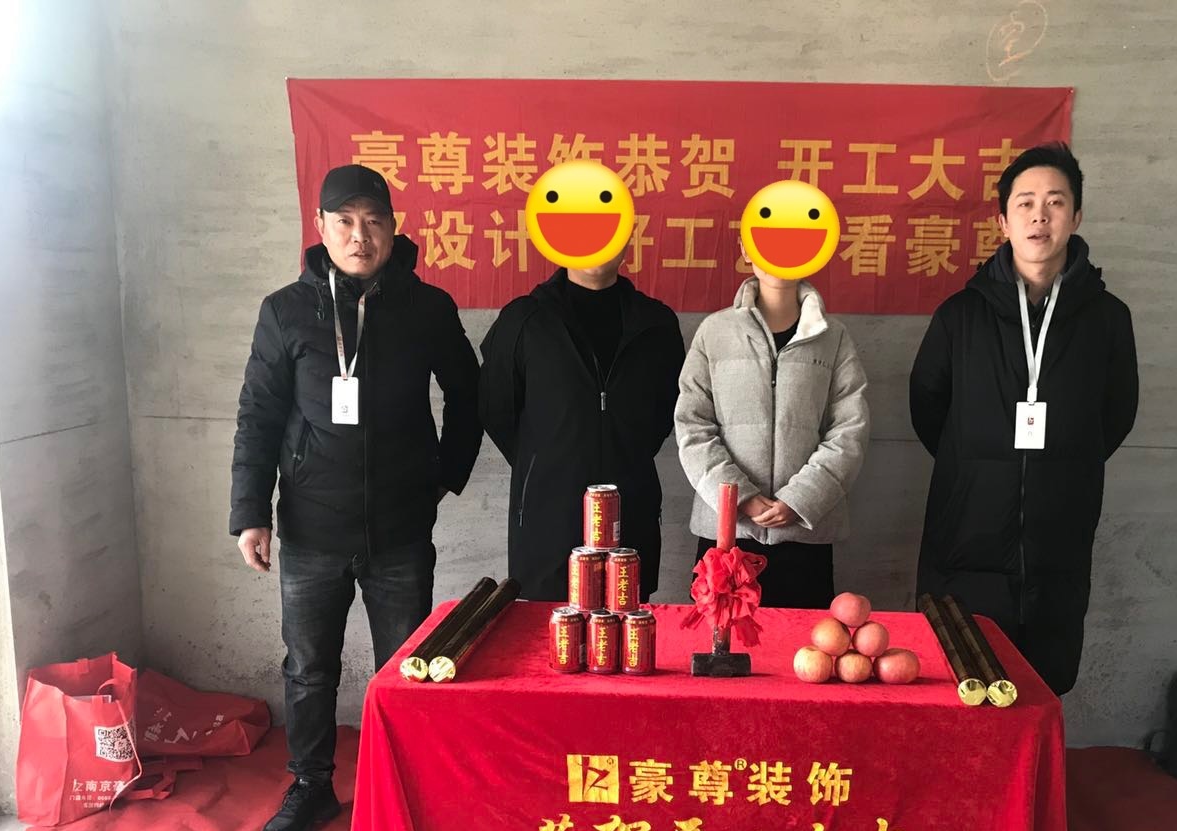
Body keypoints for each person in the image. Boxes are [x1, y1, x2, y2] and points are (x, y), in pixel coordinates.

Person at [230, 164, 482, 831]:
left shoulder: (427, 308)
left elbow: (470, 396)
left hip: (400, 528)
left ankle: (404, 789)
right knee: (309, 667)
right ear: (320, 227)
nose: (359, 236)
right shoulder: (285, 311)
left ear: (394, 228)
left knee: (406, 669)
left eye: (373, 221)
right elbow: (258, 414)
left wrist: (444, 475)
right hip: (311, 525)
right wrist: (250, 512)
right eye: (344, 221)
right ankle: (311, 786)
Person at [909, 142, 1138, 695]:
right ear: (1003, 221)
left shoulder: (1107, 319)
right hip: (967, 534)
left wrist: (1062, 463)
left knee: (1041, 687)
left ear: (1075, 217)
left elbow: (1116, 413)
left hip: (1059, 533)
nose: (1040, 216)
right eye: (1026, 203)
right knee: (961, 682)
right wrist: (979, 465)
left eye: (1055, 202)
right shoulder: (961, 316)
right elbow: (927, 406)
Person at [478, 248, 685, 601]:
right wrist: (543, 462)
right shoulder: (523, 320)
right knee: (549, 631)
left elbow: (666, 411)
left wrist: (618, 449)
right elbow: (496, 408)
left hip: (629, 516)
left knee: (626, 626)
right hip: (548, 522)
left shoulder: (657, 324)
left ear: (627, 238)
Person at [674, 246, 870, 608]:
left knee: (804, 639)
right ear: (746, 249)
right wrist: (740, 499)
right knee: (723, 638)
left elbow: (849, 429)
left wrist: (800, 499)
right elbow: (692, 425)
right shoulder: (714, 332)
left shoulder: (834, 337)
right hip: (726, 534)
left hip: (804, 533)